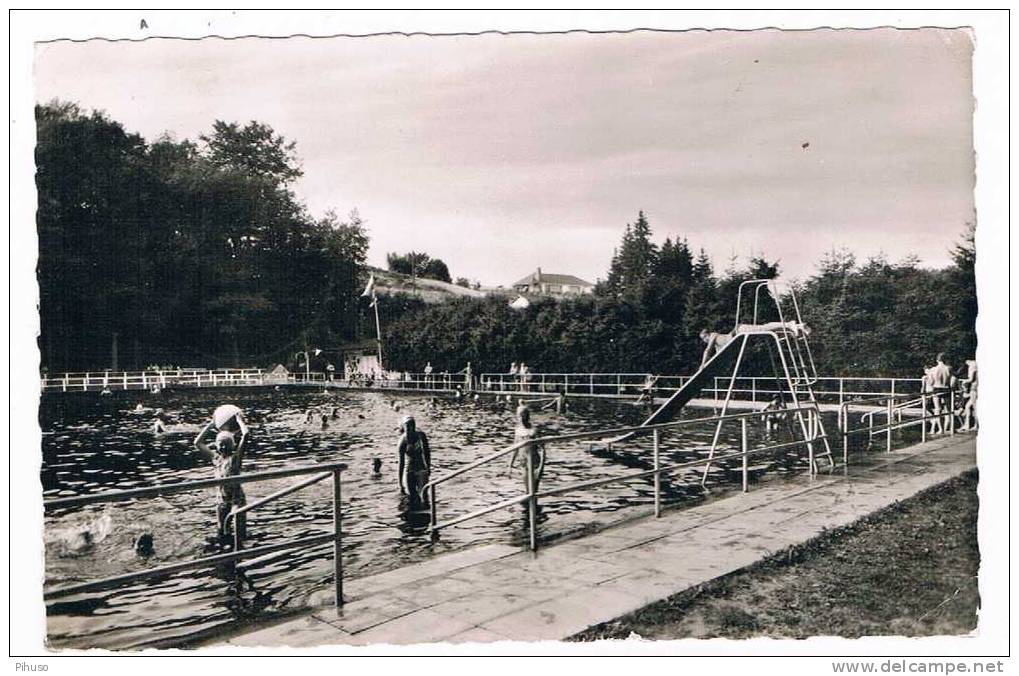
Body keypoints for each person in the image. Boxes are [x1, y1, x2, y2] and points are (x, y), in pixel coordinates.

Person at [193, 405, 249, 539]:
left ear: (233, 445)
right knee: (222, 532)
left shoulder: (235, 459)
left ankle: (239, 552)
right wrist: (211, 424)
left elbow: (246, 435)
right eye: (220, 444)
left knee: (240, 533)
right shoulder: (215, 459)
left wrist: (239, 420)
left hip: (237, 500)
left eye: (226, 443)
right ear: (216, 446)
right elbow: (197, 442)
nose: (223, 446)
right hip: (221, 500)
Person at [509, 404, 545, 500]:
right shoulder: (517, 431)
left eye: (522, 415)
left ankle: (535, 511)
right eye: (519, 415)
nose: (520, 418)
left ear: (527, 416)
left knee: (534, 490)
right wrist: (510, 465)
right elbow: (515, 449)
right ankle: (529, 512)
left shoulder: (534, 431)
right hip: (523, 464)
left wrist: (541, 467)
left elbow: (542, 450)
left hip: (534, 464)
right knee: (527, 490)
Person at [397, 415, 431, 510]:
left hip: (421, 468)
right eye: (408, 426)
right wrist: (400, 482)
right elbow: (401, 463)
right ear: (404, 427)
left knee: (423, 494)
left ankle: (426, 514)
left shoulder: (421, 436)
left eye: (412, 425)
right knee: (411, 495)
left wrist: (428, 468)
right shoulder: (402, 441)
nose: (411, 428)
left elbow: (427, 453)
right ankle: (413, 517)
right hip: (409, 469)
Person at [959, 359, 978, 431]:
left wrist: (964, 381)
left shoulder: (972, 366)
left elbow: (971, 379)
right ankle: (967, 425)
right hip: (977, 388)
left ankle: (976, 425)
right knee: (967, 406)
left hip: (974, 388)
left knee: (975, 408)